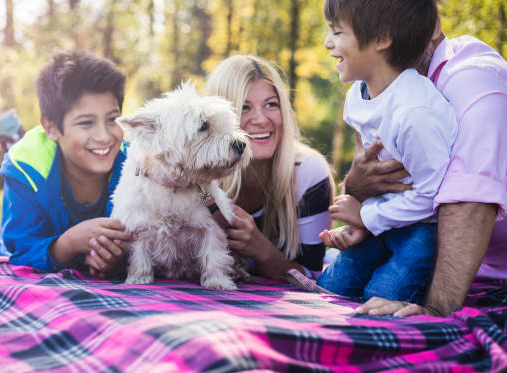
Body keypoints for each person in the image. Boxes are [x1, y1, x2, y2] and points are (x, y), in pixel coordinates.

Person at [352, 20, 507, 316]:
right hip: (447, 267)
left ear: (430, 25)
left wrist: (435, 310)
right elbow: (377, 185)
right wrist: (357, 188)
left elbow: (470, 199)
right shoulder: (391, 90)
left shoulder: (474, 78)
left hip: (491, 282)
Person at [315, 0, 459, 303]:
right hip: (382, 218)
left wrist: (367, 217)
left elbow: (432, 196)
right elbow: (366, 165)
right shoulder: (357, 94)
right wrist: (357, 219)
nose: (328, 43)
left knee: (383, 298)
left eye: (338, 32)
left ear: (382, 38)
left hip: (422, 226)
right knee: (334, 287)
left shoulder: (415, 112)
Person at [0, 51, 131, 278]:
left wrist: (115, 260)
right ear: (52, 128)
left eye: (113, 119)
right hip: (44, 161)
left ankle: (15, 133)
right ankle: (14, 136)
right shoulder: (26, 171)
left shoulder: (137, 167)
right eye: (86, 123)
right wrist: (67, 244)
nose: (104, 136)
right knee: (29, 148)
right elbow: (22, 248)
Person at [205, 55, 334, 280]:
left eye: (271, 105)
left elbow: (311, 274)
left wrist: (261, 249)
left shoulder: (308, 174)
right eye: (244, 108)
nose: (261, 120)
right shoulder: (198, 179)